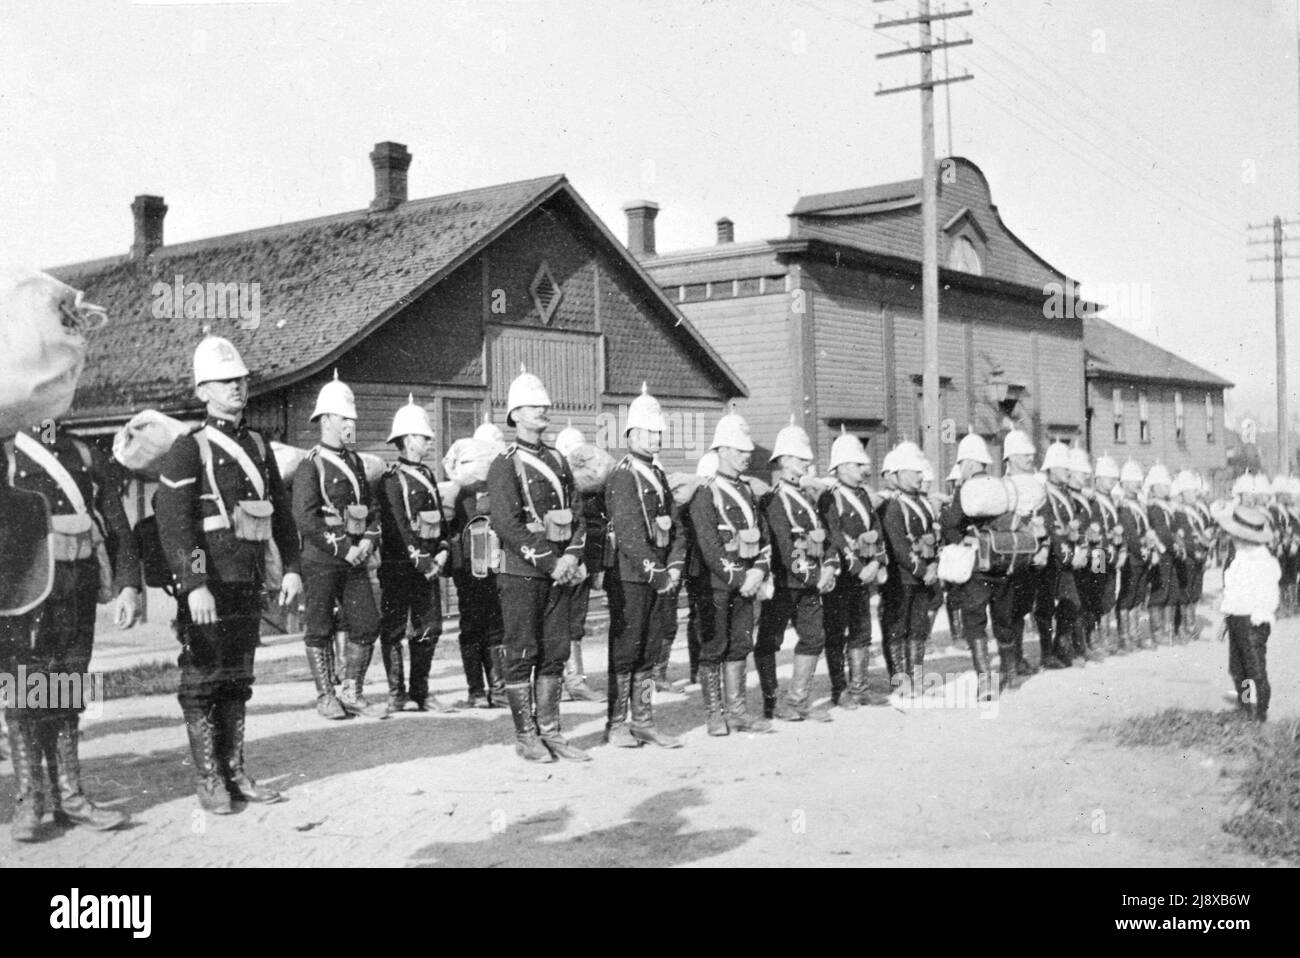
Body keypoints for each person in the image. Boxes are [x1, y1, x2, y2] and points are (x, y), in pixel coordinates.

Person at [1, 269, 132, 840]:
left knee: (69, 685)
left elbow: (118, 523)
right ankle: (32, 799)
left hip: (76, 585)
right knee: (27, 689)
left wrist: (127, 581)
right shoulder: (7, 451)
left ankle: (73, 795)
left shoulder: (84, 452)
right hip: (25, 588)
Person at [157, 336, 302, 812]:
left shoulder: (258, 444)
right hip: (210, 585)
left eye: (240, 380)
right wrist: (194, 583)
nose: (237, 388)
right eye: (224, 381)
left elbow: (281, 513)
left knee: (238, 678)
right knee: (202, 678)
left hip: (247, 579)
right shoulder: (188, 448)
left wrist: (294, 567)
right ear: (204, 391)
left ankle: (235, 769)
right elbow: (176, 525)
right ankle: (208, 778)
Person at [487, 368, 590, 763]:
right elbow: (507, 525)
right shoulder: (505, 464)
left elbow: (577, 514)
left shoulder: (558, 460)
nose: (543, 410)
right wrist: (552, 562)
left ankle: (552, 732)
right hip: (523, 573)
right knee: (522, 651)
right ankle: (526, 736)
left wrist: (572, 556)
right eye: (533, 406)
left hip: (559, 570)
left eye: (544, 405)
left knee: (555, 651)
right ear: (515, 414)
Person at [292, 372, 389, 720]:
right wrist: (343, 548)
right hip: (322, 558)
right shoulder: (311, 464)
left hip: (356, 557)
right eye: (345, 417)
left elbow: (373, 511)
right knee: (319, 626)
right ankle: (325, 695)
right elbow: (306, 518)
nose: (351, 423)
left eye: (353, 418)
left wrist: (366, 541)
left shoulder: (356, 463)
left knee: (366, 623)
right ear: (327, 420)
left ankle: (352, 691)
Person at [603, 385, 685, 747]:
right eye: (650, 432)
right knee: (626, 648)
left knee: (650, 648)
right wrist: (656, 572)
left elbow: (676, 525)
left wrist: (677, 564)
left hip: (660, 576)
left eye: (659, 433)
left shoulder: (658, 473)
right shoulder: (624, 474)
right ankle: (618, 724)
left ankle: (644, 719)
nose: (656, 438)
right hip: (632, 576)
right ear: (632, 434)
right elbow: (629, 533)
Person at [688, 410, 774, 736]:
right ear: (721, 451)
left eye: (748, 451)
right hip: (716, 583)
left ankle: (738, 711)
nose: (746, 457)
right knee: (714, 645)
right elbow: (710, 547)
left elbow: (763, 539)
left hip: (747, 583)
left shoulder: (750, 492)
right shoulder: (705, 492)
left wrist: (759, 573)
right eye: (739, 451)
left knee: (740, 644)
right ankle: (715, 714)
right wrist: (742, 578)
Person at [755, 421, 838, 722]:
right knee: (769, 641)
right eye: (802, 459)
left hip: (809, 582)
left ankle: (797, 701)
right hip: (785, 582)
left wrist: (829, 565)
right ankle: (771, 703)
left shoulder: (807, 498)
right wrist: (815, 576)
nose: (806, 464)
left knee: (814, 638)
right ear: (786, 460)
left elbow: (823, 535)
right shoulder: (774, 500)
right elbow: (786, 547)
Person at [376, 395, 454, 712]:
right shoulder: (392, 479)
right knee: (394, 629)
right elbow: (399, 526)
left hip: (429, 566)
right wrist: (422, 560)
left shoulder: (428, 475)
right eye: (423, 437)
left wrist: (444, 551)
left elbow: (438, 518)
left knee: (428, 628)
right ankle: (396, 694)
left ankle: (420, 691)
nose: (428, 442)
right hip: (400, 566)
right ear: (408, 440)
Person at [939, 433, 1020, 695]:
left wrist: (962, 539)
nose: (961, 469)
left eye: (962, 463)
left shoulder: (965, 490)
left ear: (970, 464)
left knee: (975, 622)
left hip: (977, 566)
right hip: (1004, 561)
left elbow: (950, 526)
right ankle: (1011, 673)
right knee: (1003, 620)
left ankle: (986, 680)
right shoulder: (1001, 485)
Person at [819, 430, 887, 709]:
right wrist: (858, 567)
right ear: (844, 466)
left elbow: (877, 531)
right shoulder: (829, 497)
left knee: (862, 631)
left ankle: (860, 687)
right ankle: (840, 690)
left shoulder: (863, 495)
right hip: (841, 575)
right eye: (859, 466)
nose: (865, 471)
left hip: (864, 573)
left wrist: (875, 562)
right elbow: (834, 535)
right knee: (836, 633)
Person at [445, 428, 507, 709]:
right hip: (468, 567)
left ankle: (494, 688)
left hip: (493, 565)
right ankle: (477, 690)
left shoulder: (500, 490)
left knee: (493, 626)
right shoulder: (457, 491)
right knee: (475, 626)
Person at [880, 441, 940, 697]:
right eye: (914, 472)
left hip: (924, 576)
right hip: (902, 577)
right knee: (897, 628)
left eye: (920, 473)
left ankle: (915, 676)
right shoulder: (894, 506)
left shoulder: (925, 503)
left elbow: (934, 537)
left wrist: (935, 564)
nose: (919, 477)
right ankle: (899, 681)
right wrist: (921, 570)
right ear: (899, 474)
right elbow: (899, 547)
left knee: (918, 628)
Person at [554, 424, 605, 703]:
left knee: (574, 624)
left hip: (577, 566)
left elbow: (594, 529)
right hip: (555, 566)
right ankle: (560, 682)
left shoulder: (592, 491)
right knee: (555, 625)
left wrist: (592, 567)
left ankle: (574, 681)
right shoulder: (556, 485)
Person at [1216, 505, 1279, 722]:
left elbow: (1269, 596)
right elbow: (1232, 592)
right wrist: (1227, 618)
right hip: (1236, 619)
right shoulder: (1240, 558)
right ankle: (1244, 706)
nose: (1232, 538)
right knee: (1237, 668)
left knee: (1255, 670)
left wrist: (1258, 619)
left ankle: (1259, 712)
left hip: (1253, 621)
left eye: (1235, 535)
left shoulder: (1264, 563)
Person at [1034, 441, 1088, 668]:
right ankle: (1055, 652)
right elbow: (1053, 531)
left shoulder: (1074, 496)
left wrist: (1083, 550)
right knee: (1053, 605)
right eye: (1067, 468)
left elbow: (1084, 523)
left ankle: (1074, 646)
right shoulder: (1046, 493)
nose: (1075, 473)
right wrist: (1072, 555)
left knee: (1083, 599)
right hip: (1055, 559)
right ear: (1052, 468)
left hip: (1080, 556)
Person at [1002, 430, 1046, 675]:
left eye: (1031, 453)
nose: (1030, 457)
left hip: (1034, 558)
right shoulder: (1003, 486)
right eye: (1024, 454)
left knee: (1022, 608)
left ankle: (1019, 657)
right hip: (1011, 557)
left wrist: (1044, 548)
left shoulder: (1039, 485)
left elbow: (1045, 522)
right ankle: (1010, 662)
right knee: (1008, 611)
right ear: (1010, 457)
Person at [1066, 446, 1108, 662]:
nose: (1086, 477)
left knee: (1095, 597)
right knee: (1077, 602)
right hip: (1078, 557)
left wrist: (1100, 563)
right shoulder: (1068, 498)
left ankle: (1090, 641)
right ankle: (1079, 646)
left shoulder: (1089, 499)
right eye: (1083, 473)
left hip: (1096, 554)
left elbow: (1098, 525)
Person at [1115, 459, 1154, 649]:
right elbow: (1130, 534)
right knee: (1128, 594)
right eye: (1132, 481)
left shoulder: (1140, 504)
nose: (1137, 484)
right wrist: (1143, 550)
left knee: (1139, 595)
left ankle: (1134, 633)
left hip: (1143, 556)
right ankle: (1124, 635)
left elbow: (1145, 529)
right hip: (1131, 556)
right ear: (1122, 484)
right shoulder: (1123, 506)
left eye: (1139, 480)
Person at [1143, 463, 1181, 647]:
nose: (1167, 488)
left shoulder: (1165, 507)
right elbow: (1162, 532)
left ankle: (1167, 630)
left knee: (1171, 590)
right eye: (1164, 485)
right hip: (1159, 554)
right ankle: (1156, 632)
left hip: (1169, 554)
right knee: (1159, 591)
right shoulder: (1154, 508)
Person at [1091, 454, 1126, 653]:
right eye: (1107, 478)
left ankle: (1105, 636)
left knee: (1108, 594)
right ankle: (1096, 638)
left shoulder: (1113, 501)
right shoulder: (1094, 501)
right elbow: (1093, 531)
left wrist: (1121, 549)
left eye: (1114, 478)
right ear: (1097, 479)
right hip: (1098, 553)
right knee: (1098, 592)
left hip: (1111, 553)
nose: (1111, 481)